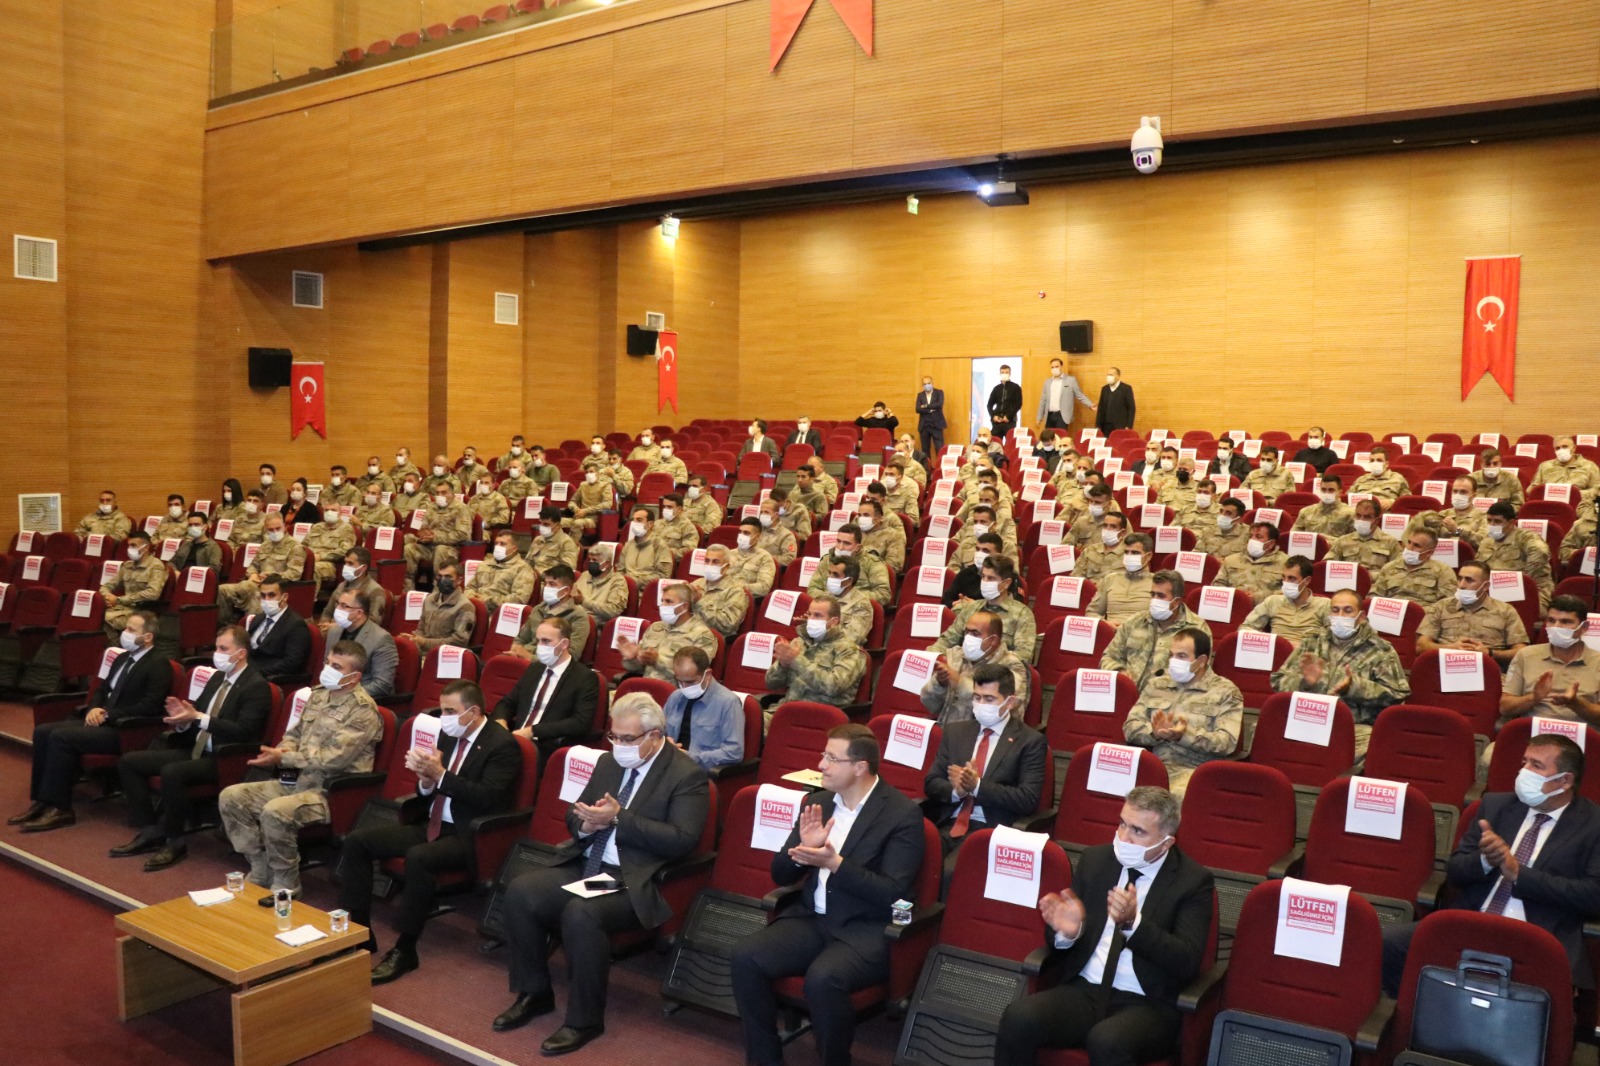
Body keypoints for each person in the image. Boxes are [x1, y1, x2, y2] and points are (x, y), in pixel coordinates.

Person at [492, 694, 709, 1056]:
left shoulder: (686, 775)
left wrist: (619, 818)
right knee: (522, 891)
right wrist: (586, 823)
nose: (618, 746)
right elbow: (573, 814)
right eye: (614, 736)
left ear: (655, 736)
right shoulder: (609, 762)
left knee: (582, 912)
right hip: (588, 862)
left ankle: (584, 1019)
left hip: (633, 878)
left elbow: (682, 841)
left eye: (628, 739)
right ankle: (535, 993)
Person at [732, 723, 925, 1066]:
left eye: (831, 758)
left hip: (866, 927)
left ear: (860, 767)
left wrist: (836, 863)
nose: (821, 765)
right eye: (824, 755)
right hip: (813, 918)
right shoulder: (818, 801)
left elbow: (894, 893)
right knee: (746, 956)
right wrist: (803, 849)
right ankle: (764, 1058)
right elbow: (779, 873)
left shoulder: (902, 815)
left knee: (824, 979)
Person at [995, 787, 1214, 1066]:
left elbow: (1186, 961)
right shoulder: (1096, 860)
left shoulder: (1193, 882)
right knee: (1019, 1017)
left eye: (1138, 831)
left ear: (1166, 842)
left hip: (1147, 1003)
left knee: (1107, 1040)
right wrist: (1068, 933)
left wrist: (1132, 925)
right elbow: (1061, 933)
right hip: (1086, 990)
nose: (1123, 837)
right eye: (1122, 823)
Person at [1381, 734, 1600, 998]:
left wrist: (1519, 873)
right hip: (1473, 921)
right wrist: (1486, 859)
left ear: (1565, 780)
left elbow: (1593, 895)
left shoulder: (1593, 825)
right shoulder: (1496, 806)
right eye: (1524, 762)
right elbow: (1456, 871)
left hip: (1537, 937)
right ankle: (1416, 1017)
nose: (1524, 772)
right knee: (1387, 943)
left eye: (1537, 766)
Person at [338, 680, 521, 985]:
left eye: (450, 710)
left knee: (419, 857)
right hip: (432, 824)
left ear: (473, 712)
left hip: (468, 836)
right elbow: (429, 791)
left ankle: (405, 948)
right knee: (358, 841)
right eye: (442, 709)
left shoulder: (502, 746)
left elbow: (488, 798)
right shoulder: (449, 735)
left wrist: (441, 776)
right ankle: (358, 933)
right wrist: (425, 780)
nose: (443, 716)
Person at [218, 641, 384, 902]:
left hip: (329, 793)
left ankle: (287, 884)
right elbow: (292, 734)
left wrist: (285, 757)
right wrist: (283, 752)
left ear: (354, 677)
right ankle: (260, 866)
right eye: (328, 663)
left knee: (275, 811)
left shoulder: (364, 711)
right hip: (295, 781)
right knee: (232, 797)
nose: (328, 669)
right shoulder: (318, 694)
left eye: (337, 667)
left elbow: (334, 760)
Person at [111, 625, 272, 870]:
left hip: (223, 757)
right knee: (130, 762)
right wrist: (183, 720)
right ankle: (151, 829)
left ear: (241, 654)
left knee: (172, 772)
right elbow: (196, 716)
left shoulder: (256, 686)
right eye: (216, 647)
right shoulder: (217, 678)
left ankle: (175, 841)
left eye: (223, 648)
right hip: (194, 748)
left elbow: (243, 732)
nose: (216, 653)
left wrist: (198, 717)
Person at [12, 611, 171, 833]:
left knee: (61, 737)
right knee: (43, 731)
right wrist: (95, 706)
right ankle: (42, 800)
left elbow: (149, 706)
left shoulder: (159, 664)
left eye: (132, 630)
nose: (125, 633)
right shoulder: (122, 657)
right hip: (102, 721)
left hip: (124, 730)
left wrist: (107, 715)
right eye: (125, 628)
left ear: (148, 637)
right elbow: (102, 688)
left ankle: (61, 808)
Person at [924, 664, 1048, 877]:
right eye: (977, 697)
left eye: (989, 699)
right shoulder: (956, 732)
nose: (981, 704)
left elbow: (1027, 799)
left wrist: (978, 786)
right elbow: (931, 783)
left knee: (949, 873)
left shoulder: (1030, 742)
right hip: (946, 823)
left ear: (1010, 702)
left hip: (990, 828)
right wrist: (957, 791)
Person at [1272, 590, 1410, 758]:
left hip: (1354, 726)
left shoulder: (1381, 650)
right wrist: (1305, 683)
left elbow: (1397, 695)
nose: (1340, 615)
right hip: (1307, 719)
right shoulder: (1311, 642)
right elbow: (1278, 682)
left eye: (1347, 610)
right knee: (1266, 735)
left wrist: (1354, 687)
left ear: (1361, 616)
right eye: (1335, 610)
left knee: (1369, 750)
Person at [1123, 629, 1243, 798]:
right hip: (1150, 764)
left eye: (1181, 656)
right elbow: (1129, 727)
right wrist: (1154, 733)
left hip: (1193, 769)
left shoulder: (1226, 692)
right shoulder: (1157, 685)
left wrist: (1184, 735)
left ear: (1201, 661)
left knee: (1168, 799)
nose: (1173, 661)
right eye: (1171, 655)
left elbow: (1227, 742)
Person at [493, 617, 601, 765]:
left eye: (546, 641)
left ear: (564, 644)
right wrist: (501, 721)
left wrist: (534, 731)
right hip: (514, 739)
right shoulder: (535, 669)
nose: (540, 646)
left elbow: (580, 723)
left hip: (547, 746)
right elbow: (507, 702)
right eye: (538, 641)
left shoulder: (584, 678)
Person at [1496, 596, 1600, 733]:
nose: (1556, 627)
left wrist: (1575, 703)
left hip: (1580, 740)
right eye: (1551, 620)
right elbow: (1505, 707)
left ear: (1584, 627)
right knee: (1489, 754)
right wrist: (1534, 698)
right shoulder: (1526, 655)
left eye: (1565, 622)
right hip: (1533, 736)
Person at [1102, 571, 1212, 689]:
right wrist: (1120, 672)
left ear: (1176, 601)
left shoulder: (1197, 629)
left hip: (1167, 698)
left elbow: (1199, 673)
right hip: (1128, 692)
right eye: (1152, 594)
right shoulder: (1134, 622)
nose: (1154, 600)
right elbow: (1108, 657)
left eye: (1161, 596)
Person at [766, 595, 870, 718]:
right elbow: (770, 684)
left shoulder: (849, 650)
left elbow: (833, 687)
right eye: (809, 614)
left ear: (834, 622)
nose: (811, 619)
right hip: (785, 710)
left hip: (819, 717)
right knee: (749, 722)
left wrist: (796, 661)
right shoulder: (798, 643)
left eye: (818, 615)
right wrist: (782, 665)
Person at [921, 610, 1029, 726]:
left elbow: (1003, 710)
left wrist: (959, 682)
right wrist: (939, 684)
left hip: (987, 737)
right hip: (948, 734)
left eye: (975, 633)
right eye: (966, 632)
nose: (968, 638)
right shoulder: (955, 656)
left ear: (993, 640)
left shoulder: (1011, 666)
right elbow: (930, 705)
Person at [1416, 560, 1529, 669]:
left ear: (1485, 586)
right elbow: (1421, 645)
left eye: (1469, 580)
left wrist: (1490, 653)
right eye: (1460, 579)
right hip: (1445, 668)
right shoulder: (1441, 606)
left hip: (1489, 671)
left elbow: (1521, 651)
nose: (1461, 585)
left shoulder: (1506, 611)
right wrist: (1450, 648)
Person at [932, 554, 1036, 659]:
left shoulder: (1022, 614)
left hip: (997, 671)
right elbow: (946, 640)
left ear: (1006, 583)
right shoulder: (971, 608)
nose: (985, 582)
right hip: (964, 667)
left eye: (991, 578)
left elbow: (1023, 655)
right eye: (983, 576)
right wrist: (933, 658)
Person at [661, 646, 746, 770]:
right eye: (679, 681)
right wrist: (664, 743)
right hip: (670, 765)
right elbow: (659, 733)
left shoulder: (728, 703)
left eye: (690, 682)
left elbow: (734, 752)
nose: (684, 687)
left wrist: (691, 757)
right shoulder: (676, 697)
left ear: (708, 675)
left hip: (699, 771)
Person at [619, 584, 718, 684]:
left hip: (677, 694)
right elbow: (637, 670)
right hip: (645, 689)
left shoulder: (702, 635)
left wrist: (658, 661)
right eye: (662, 601)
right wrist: (632, 658)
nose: (663, 606)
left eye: (669, 601)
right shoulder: (656, 628)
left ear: (684, 606)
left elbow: (695, 675)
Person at [217, 513, 305, 624]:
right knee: (222, 590)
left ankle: (251, 631)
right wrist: (253, 574)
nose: (275, 532)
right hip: (257, 582)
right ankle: (227, 626)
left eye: (278, 528)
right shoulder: (265, 545)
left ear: (284, 526)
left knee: (256, 595)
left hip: (275, 587)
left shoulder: (295, 547)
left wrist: (271, 577)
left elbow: (295, 574)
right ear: (266, 530)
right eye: (271, 529)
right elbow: (253, 565)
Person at [1479, 501, 1555, 610]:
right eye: (1489, 520)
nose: (1491, 525)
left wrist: (1521, 581)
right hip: (1494, 591)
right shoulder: (1486, 541)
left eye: (1497, 521)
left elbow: (1541, 551)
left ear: (1511, 523)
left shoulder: (1525, 537)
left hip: (1529, 591)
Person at [1239, 555, 1329, 647]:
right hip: (1276, 652)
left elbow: (1335, 640)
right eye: (1283, 578)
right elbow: (1245, 628)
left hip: (1305, 655)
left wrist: (1306, 646)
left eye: (1292, 578)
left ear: (1307, 581)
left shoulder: (1324, 604)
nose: (1286, 582)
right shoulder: (1273, 601)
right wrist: (1268, 641)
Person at [326, 587, 399, 699]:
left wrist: (345, 694)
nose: (337, 609)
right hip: (332, 693)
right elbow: (327, 665)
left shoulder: (381, 639)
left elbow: (382, 685)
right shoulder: (334, 631)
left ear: (359, 613)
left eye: (344, 606)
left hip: (363, 700)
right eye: (338, 604)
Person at [399, 557, 475, 655]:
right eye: (440, 576)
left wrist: (424, 642)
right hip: (421, 653)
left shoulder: (465, 607)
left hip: (443, 657)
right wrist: (414, 639)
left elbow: (459, 641)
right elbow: (421, 629)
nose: (443, 580)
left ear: (459, 580)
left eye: (448, 577)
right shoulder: (429, 600)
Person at [244, 575, 312, 683]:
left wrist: (255, 672)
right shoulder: (258, 618)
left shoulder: (296, 625)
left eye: (271, 595)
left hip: (266, 678)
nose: (266, 600)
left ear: (284, 597)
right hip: (246, 671)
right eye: (263, 595)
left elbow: (291, 663)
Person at [100, 531, 168, 635]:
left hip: (142, 611)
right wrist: (107, 596)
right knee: (92, 614)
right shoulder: (127, 565)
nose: (129, 549)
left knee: (102, 619)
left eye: (133, 545)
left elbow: (153, 593)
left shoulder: (156, 566)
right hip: (122, 609)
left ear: (145, 547)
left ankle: (117, 649)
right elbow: (107, 586)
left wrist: (118, 600)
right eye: (129, 545)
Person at [1370, 528, 1458, 607]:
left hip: (1424, 618)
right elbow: (1374, 597)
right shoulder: (1389, 567)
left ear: (1429, 553)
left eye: (1416, 545)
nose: (1409, 548)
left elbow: (1446, 605)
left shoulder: (1443, 571)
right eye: (1409, 542)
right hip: (1391, 614)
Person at [404, 485, 472, 585]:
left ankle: (438, 589)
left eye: (444, 493)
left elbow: (462, 534)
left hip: (450, 549)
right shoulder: (431, 507)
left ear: (452, 494)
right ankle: (408, 587)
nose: (440, 495)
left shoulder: (461, 508)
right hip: (429, 547)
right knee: (409, 548)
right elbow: (424, 527)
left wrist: (435, 537)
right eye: (437, 493)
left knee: (440, 549)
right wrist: (424, 535)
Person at [807, 524, 891, 605]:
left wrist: (847, 596)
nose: (840, 547)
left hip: (857, 609)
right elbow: (812, 589)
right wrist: (832, 599)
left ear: (858, 547)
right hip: (827, 608)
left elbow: (883, 594)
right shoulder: (826, 560)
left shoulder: (873, 563)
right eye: (838, 541)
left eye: (846, 543)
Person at [1087, 533, 1156, 626]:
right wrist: (1105, 623)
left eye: (1135, 553)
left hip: (1141, 635)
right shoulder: (1110, 579)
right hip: (1111, 633)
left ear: (1148, 556)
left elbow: (1164, 621)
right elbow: (1091, 613)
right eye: (1126, 552)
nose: (1129, 556)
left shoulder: (1158, 582)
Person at [1214, 521, 1287, 603]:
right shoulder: (1231, 560)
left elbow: (1287, 592)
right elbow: (1217, 586)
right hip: (1233, 607)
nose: (1252, 540)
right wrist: (1236, 596)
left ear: (1271, 543)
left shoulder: (1286, 563)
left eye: (1258, 537)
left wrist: (1259, 597)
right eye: (1250, 536)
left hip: (1268, 610)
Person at [468, 529, 537, 615]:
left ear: (514, 548)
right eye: (496, 543)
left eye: (502, 544)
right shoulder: (484, 564)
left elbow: (519, 599)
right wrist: (473, 598)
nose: (498, 547)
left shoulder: (522, 569)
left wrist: (486, 601)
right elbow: (470, 586)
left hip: (498, 614)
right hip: (472, 609)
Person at [320, 547, 388, 631]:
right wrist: (324, 625)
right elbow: (327, 612)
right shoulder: (341, 586)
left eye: (350, 564)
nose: (345, 566)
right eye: (345, 563)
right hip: (332, 633)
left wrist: (338, 628)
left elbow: (373, 623)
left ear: (363, 568)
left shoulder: (375, 591)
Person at [692, 544, 749, 640]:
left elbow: (727, 625)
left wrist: (699, 602)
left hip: (708, 639)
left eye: (715, 562)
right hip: (688, 633)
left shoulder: (735, 591)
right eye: (707, 561)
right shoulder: (696, 584)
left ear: (726, 567)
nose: (709, 565)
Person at [1327, 498, 1401, 572]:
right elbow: (1327, 565)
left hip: (1376, 582)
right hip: (1347, 581)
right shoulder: (1342, 540)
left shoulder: (1390, 542)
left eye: (1367, 517)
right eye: (1358, 515)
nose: (1361, 520)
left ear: (1376, 520)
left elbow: (1398, 570)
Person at [819, 556, 876, 646]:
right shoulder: (824, 597)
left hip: (841, 654)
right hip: (817, 648)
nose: (830, 578)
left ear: (848, 581)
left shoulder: (861, 606)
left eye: (835, 575)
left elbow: (850, 639)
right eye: (830, 573)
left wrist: (821, 632)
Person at [943, 531, 1004, 608]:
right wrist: (955, 603)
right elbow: (946, 598)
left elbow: (1012, 608)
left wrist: (976, 606)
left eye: (985, 550)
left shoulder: (1007, 576)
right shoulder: (966, 573)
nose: (979, 554)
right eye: (978, 549)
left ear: (998, 554)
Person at [574, 543, 629, 626]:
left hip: (597, 625)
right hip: (576, 619)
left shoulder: (618, 581)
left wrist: (584, 602)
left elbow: (613, 611)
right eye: (590, 559)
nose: (591, 562)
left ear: (606, 564)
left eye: (595, 560)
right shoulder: (585, 575)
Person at [1037, 357, 1096, 432]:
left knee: (1061, 437)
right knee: (1049, 438)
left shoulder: (1070, 380)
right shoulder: (1047, 382)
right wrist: (1039, 418)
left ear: (1061, 367)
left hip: (1062, 415)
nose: (1054, 369)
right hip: (1049, 415)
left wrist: (1090, 405)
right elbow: (1043, 401)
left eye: (1056, 366)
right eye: (1052, 367)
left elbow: (1080, 395)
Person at [302, 504, 357, 585]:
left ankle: (310, 597)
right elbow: (303, 545)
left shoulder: (346, 528)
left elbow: (345, 551)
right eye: (326, 510)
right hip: (308, 558)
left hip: (329, 563)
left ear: (340, 513)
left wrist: (320, 556)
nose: (329, 512)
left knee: (312, 568)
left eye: (333, 510)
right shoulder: (316, 527)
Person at [617, 507, 672, 582]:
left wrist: (635, 581)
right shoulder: (628, 545)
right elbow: (620, 571)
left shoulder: (659, 545)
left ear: (650, 524)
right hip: (625, 587)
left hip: (645, 589)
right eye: (633, 520)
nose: (634, 523)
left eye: (639, 520)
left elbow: (663, 576)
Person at [730, 516, 779, 596]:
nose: (741, 536)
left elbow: (764, 588)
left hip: (743, 598)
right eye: (740, 532)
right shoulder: (729, 554)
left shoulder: (765, 558)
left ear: (757, 537)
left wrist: (736, 587)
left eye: (746, 533)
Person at [1532, 436, 1600, 490]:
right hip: (1551, 503)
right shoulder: (1545, 466)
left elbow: (1597, 489)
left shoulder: (1589, 466)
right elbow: (1533, 488)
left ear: (1574, 448)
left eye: (1565, 447)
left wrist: (1575, 494)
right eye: (1557, 448)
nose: (1561, 450)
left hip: (1580, 505)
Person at [986, 365, 1023, 440]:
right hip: (997, 422)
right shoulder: (996, 388)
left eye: (1006, 372)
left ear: (1010, 374)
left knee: (1010, 442)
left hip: (1010, 421)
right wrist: (993, 416)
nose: (1004, 374)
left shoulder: (1016, 387)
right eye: (1002, 372)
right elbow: (989, 405)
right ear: (1000, 373)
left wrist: (1008, 416)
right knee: (995, 442)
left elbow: (1018, 404)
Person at [1095, 367, 1136, 434]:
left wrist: (1129, 425)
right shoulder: (1104, 389)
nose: (1108, 377)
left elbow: (1131, 408)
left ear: (1118, 376)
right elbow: (1100, 408)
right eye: (1108, 375)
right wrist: (1098, 426)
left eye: (1111, 375)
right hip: (1105, 426)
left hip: (1120, 426)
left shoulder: (1126, 389)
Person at [916, 375, 947, 456]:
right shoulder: (920, 395)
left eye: (928, 383)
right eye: (924, 384)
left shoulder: (939, 392)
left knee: (939, 448)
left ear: (932, 383)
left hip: (937, 425)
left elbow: (939, 405)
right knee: (925, 449)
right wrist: (930, 410)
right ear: (922, 385)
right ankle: (927, 468)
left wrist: (926, 406)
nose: (927, 385)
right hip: (924, 425)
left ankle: (939, 467)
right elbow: (918, 409)